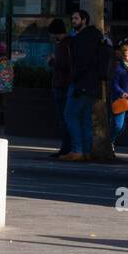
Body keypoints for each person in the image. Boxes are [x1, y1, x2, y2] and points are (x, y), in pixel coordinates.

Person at [61, 9, 107, 162]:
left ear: (84, 20)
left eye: (76, 18)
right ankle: (86, 151)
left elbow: (81, 63)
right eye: (72, 18)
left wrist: (74, 79)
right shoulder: (95, 37)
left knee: (70, 115)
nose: (73, 21)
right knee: (85, 117)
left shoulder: (83, 39)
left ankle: (78, 150)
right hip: (93, 85)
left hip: (81, 84)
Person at [47, 18, 73, 159]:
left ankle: (66, 147)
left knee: (64, 118)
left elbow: (63, 64)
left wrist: (52, 61)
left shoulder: (64, 45)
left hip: (62, 85)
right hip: (64, 85)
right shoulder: (67, 43)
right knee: (66, 118)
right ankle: (67, 147)